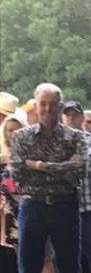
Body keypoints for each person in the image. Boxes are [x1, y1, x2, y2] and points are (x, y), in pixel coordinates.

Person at [10, 83, 87, 273]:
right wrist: (63, 166)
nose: (47, 108)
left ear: (60, 106)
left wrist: (37, 165)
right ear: (35, 105)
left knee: (69, 264)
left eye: (53, 104)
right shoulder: (21, 136)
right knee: (29, 264)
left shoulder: (75, 137)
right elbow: (18, 173)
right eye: (43, 103)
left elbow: (79, 172)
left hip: (65, 205)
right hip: (32, 206)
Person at [61, 100, 91, 273]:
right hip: (64, 207)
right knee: (68, 255)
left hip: (90, 208)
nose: (72, 119)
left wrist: (64, 163)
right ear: (63, 118)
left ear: (82, 117)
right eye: (68, 115)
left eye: (75, 115)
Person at [1, 115, 27, 272]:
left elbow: (20, 187)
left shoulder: (28, 156)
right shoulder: (2, 157)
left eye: (16, 130)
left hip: (24, 211)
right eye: (9, 130)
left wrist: (7, 184)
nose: (12, 134)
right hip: (5, 214)